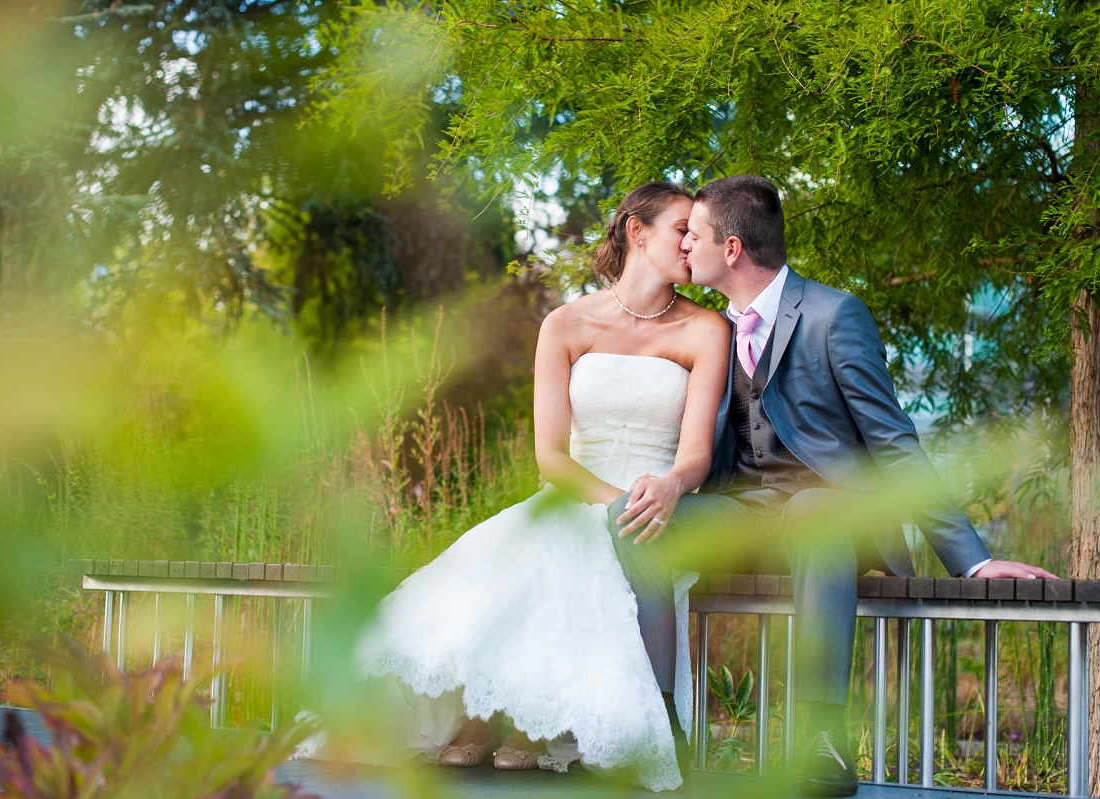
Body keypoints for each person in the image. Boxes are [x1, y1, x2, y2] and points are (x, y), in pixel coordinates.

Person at [605, 174, 1056, 797]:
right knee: (634, 517)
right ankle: (662, 721)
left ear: (731, 249)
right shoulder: (710, 329)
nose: (686, 248)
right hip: (743, 512)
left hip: (829, 517)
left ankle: (822, 738)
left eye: (696, 236)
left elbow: (895, 444)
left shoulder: (833, 315)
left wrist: (972, 560)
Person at [347, 181, 730, 791]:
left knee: (588, 549)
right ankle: (487, 707)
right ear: (637, 230)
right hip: (579, 492)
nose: (692, 242)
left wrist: (668, 490)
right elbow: (550, 455)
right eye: (681, 228)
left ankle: (532, 719)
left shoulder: (706, 329)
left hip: (658, 502)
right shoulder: (565, 323)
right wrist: (616, 503)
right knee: (518, 549)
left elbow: (696, 455)